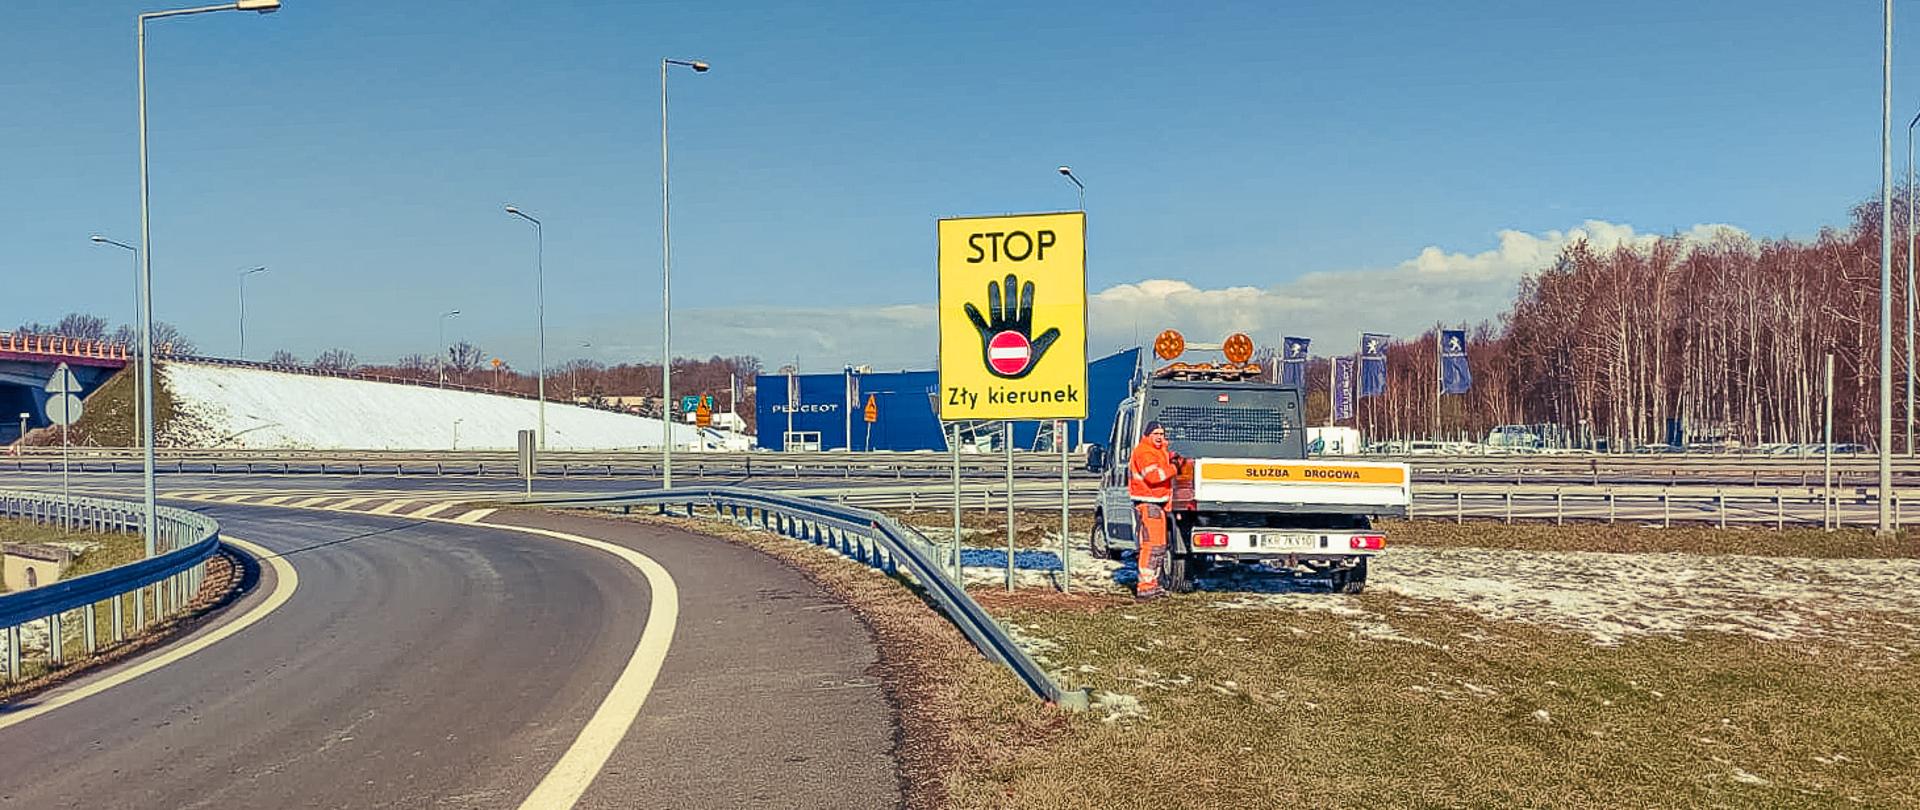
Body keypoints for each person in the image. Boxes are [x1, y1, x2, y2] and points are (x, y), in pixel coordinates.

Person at [1128, 420, 1180, 600]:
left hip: (1157, 504)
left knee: (1158, 547)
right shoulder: (1144, 452)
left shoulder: (1157, 452)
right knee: (1151, 547)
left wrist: (1171, 457)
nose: (1160, 437)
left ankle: (1152, 584)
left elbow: (1161, 463)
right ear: (1148, 435)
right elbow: (1154, 476)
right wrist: (1175, 468)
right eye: (1156, 434)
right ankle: (1145, 586)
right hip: (1148, 503)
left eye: (1162, 434)